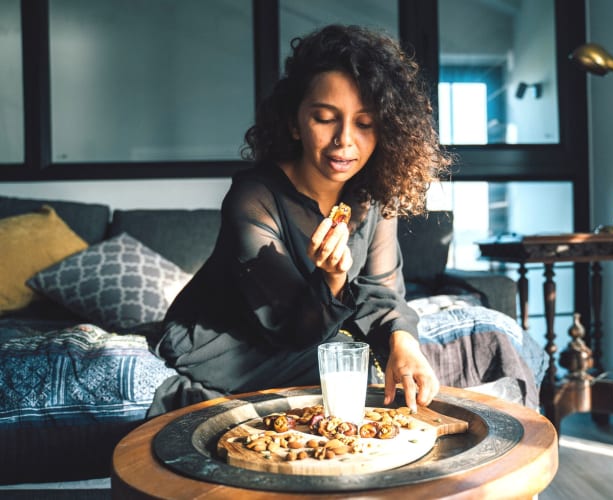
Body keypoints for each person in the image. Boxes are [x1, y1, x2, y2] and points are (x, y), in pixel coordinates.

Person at [147, 24, 453, 418]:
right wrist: (332, 279)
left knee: (390, 360)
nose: (345, 140)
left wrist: (404, 343)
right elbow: (291, 328)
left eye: (364, 124)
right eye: (325, 118)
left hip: (311, 328)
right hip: (228, 339)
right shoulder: (254, 197)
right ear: (294, 123)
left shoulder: (374, 193)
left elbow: (381, 291)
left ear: (385, 131)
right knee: (352, 373)